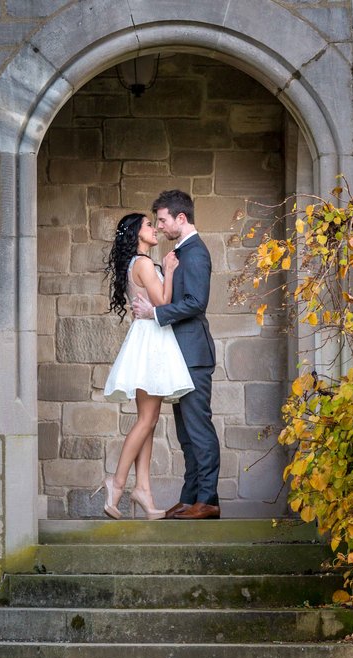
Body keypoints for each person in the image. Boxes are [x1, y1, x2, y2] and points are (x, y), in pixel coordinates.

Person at [132, 190, 220, 520]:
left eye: (163, 220)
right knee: (186, 434)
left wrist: (155, 314)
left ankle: (208, 500)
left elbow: (197, 302)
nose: (160, 226)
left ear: (181, 219)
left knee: (199, 430)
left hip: (193, 355)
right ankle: (190, 497)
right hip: (180, 357)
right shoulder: (181, 251)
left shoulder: (195, 252)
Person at [99, 212, 194, 520]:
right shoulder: (143, 263)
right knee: (147, 419)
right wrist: (167, 268)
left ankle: (143, 491)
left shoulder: (138, 264)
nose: (155, 229)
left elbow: (154, 305)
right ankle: (116, 482)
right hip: (151, 342)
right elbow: (164, 303)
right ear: (137, 234)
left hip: (149, 339)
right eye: (149, 225)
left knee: (149, 419)